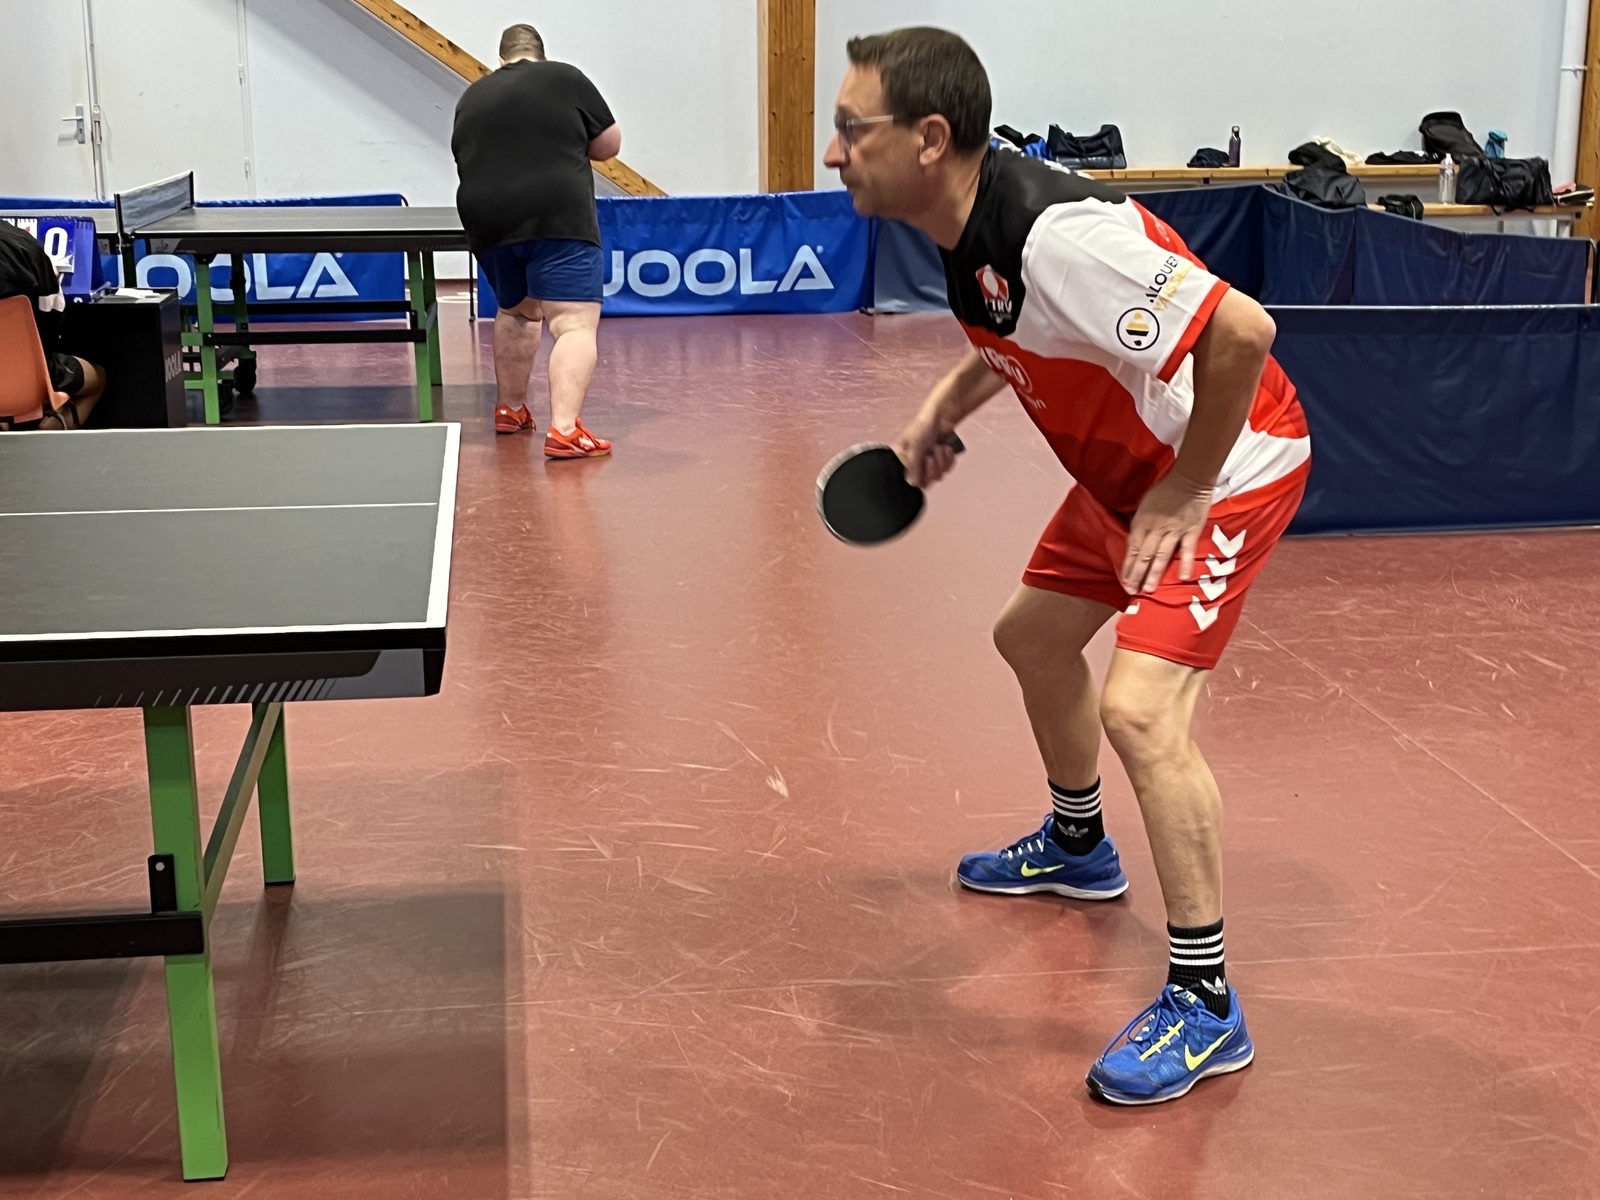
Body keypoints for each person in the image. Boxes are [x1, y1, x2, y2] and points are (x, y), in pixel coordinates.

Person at [823, 27, 1310, 1106]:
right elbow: (1018, 336)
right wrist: (941, 409)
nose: (832, 150)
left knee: (1142, 712)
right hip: (1126, 469)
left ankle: (1205, 1004)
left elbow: (1241, 330)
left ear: (930, 138)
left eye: (852, 127)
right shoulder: (959, 224)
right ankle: (1080, 846)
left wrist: (1188, 485)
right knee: (1032, 637)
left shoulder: (1058, 238)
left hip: (1227, 466)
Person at [452, 22, 620, 458]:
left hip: (487, 220)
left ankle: (510, 410)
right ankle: (564, 430)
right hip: (555, 213)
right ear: (540, 54)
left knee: (517, 311)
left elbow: (464, 156)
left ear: (501, 58)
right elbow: (608, 145)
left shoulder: (473, 95)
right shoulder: (565, 77)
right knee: (573, 323)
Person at [0, 219, 105, 429]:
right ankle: (42, 437)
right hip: (21, 386)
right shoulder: (25, 245)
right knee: (98, 377)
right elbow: (50, 329)